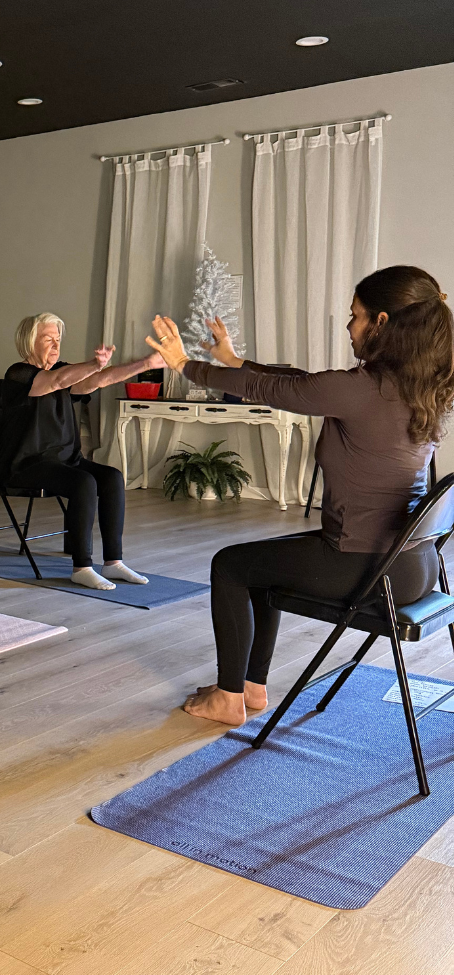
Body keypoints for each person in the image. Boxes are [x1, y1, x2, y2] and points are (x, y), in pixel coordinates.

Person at [144, 265, 453, 725]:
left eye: (356, 316)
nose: (349, 326)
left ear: (382, 322)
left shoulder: (359, 388)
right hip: (416, 566)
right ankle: (249, 688)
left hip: (363, 565)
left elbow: (281, 389)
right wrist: (233, 361)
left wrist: (185, 365)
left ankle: (229, 697)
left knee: (230, 565)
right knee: (263, 566)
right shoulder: (424, 389)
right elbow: (300, 383)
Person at [0, 313, 165, 590]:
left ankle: (113, 563)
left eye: (58, 339)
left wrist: (145, 363)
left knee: (111, 477)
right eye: (48, 338)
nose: (55, 344)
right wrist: (92, 363)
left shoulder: (63, 370)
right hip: (25, 464)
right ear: (28, 342)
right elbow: (56, 381)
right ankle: (82, 566)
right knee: (83, 482)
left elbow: (100, 379)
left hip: (65, 460)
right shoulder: (17, 374)